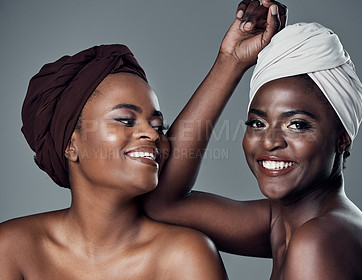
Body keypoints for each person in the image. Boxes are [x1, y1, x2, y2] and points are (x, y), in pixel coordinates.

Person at [0, 1, 287, 279]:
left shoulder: (187, 255)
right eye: (125, 120)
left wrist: (232, 61)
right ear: (70, 144)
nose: (152, 134)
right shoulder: (12, 248)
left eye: (159, 126)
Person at [144, 10, 362, 280]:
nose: (270, 141)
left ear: (342, 138)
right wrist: (232, 61)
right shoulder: (285, 221)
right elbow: (162, 203)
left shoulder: (318, 241)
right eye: (257, 124)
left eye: (297, 124)